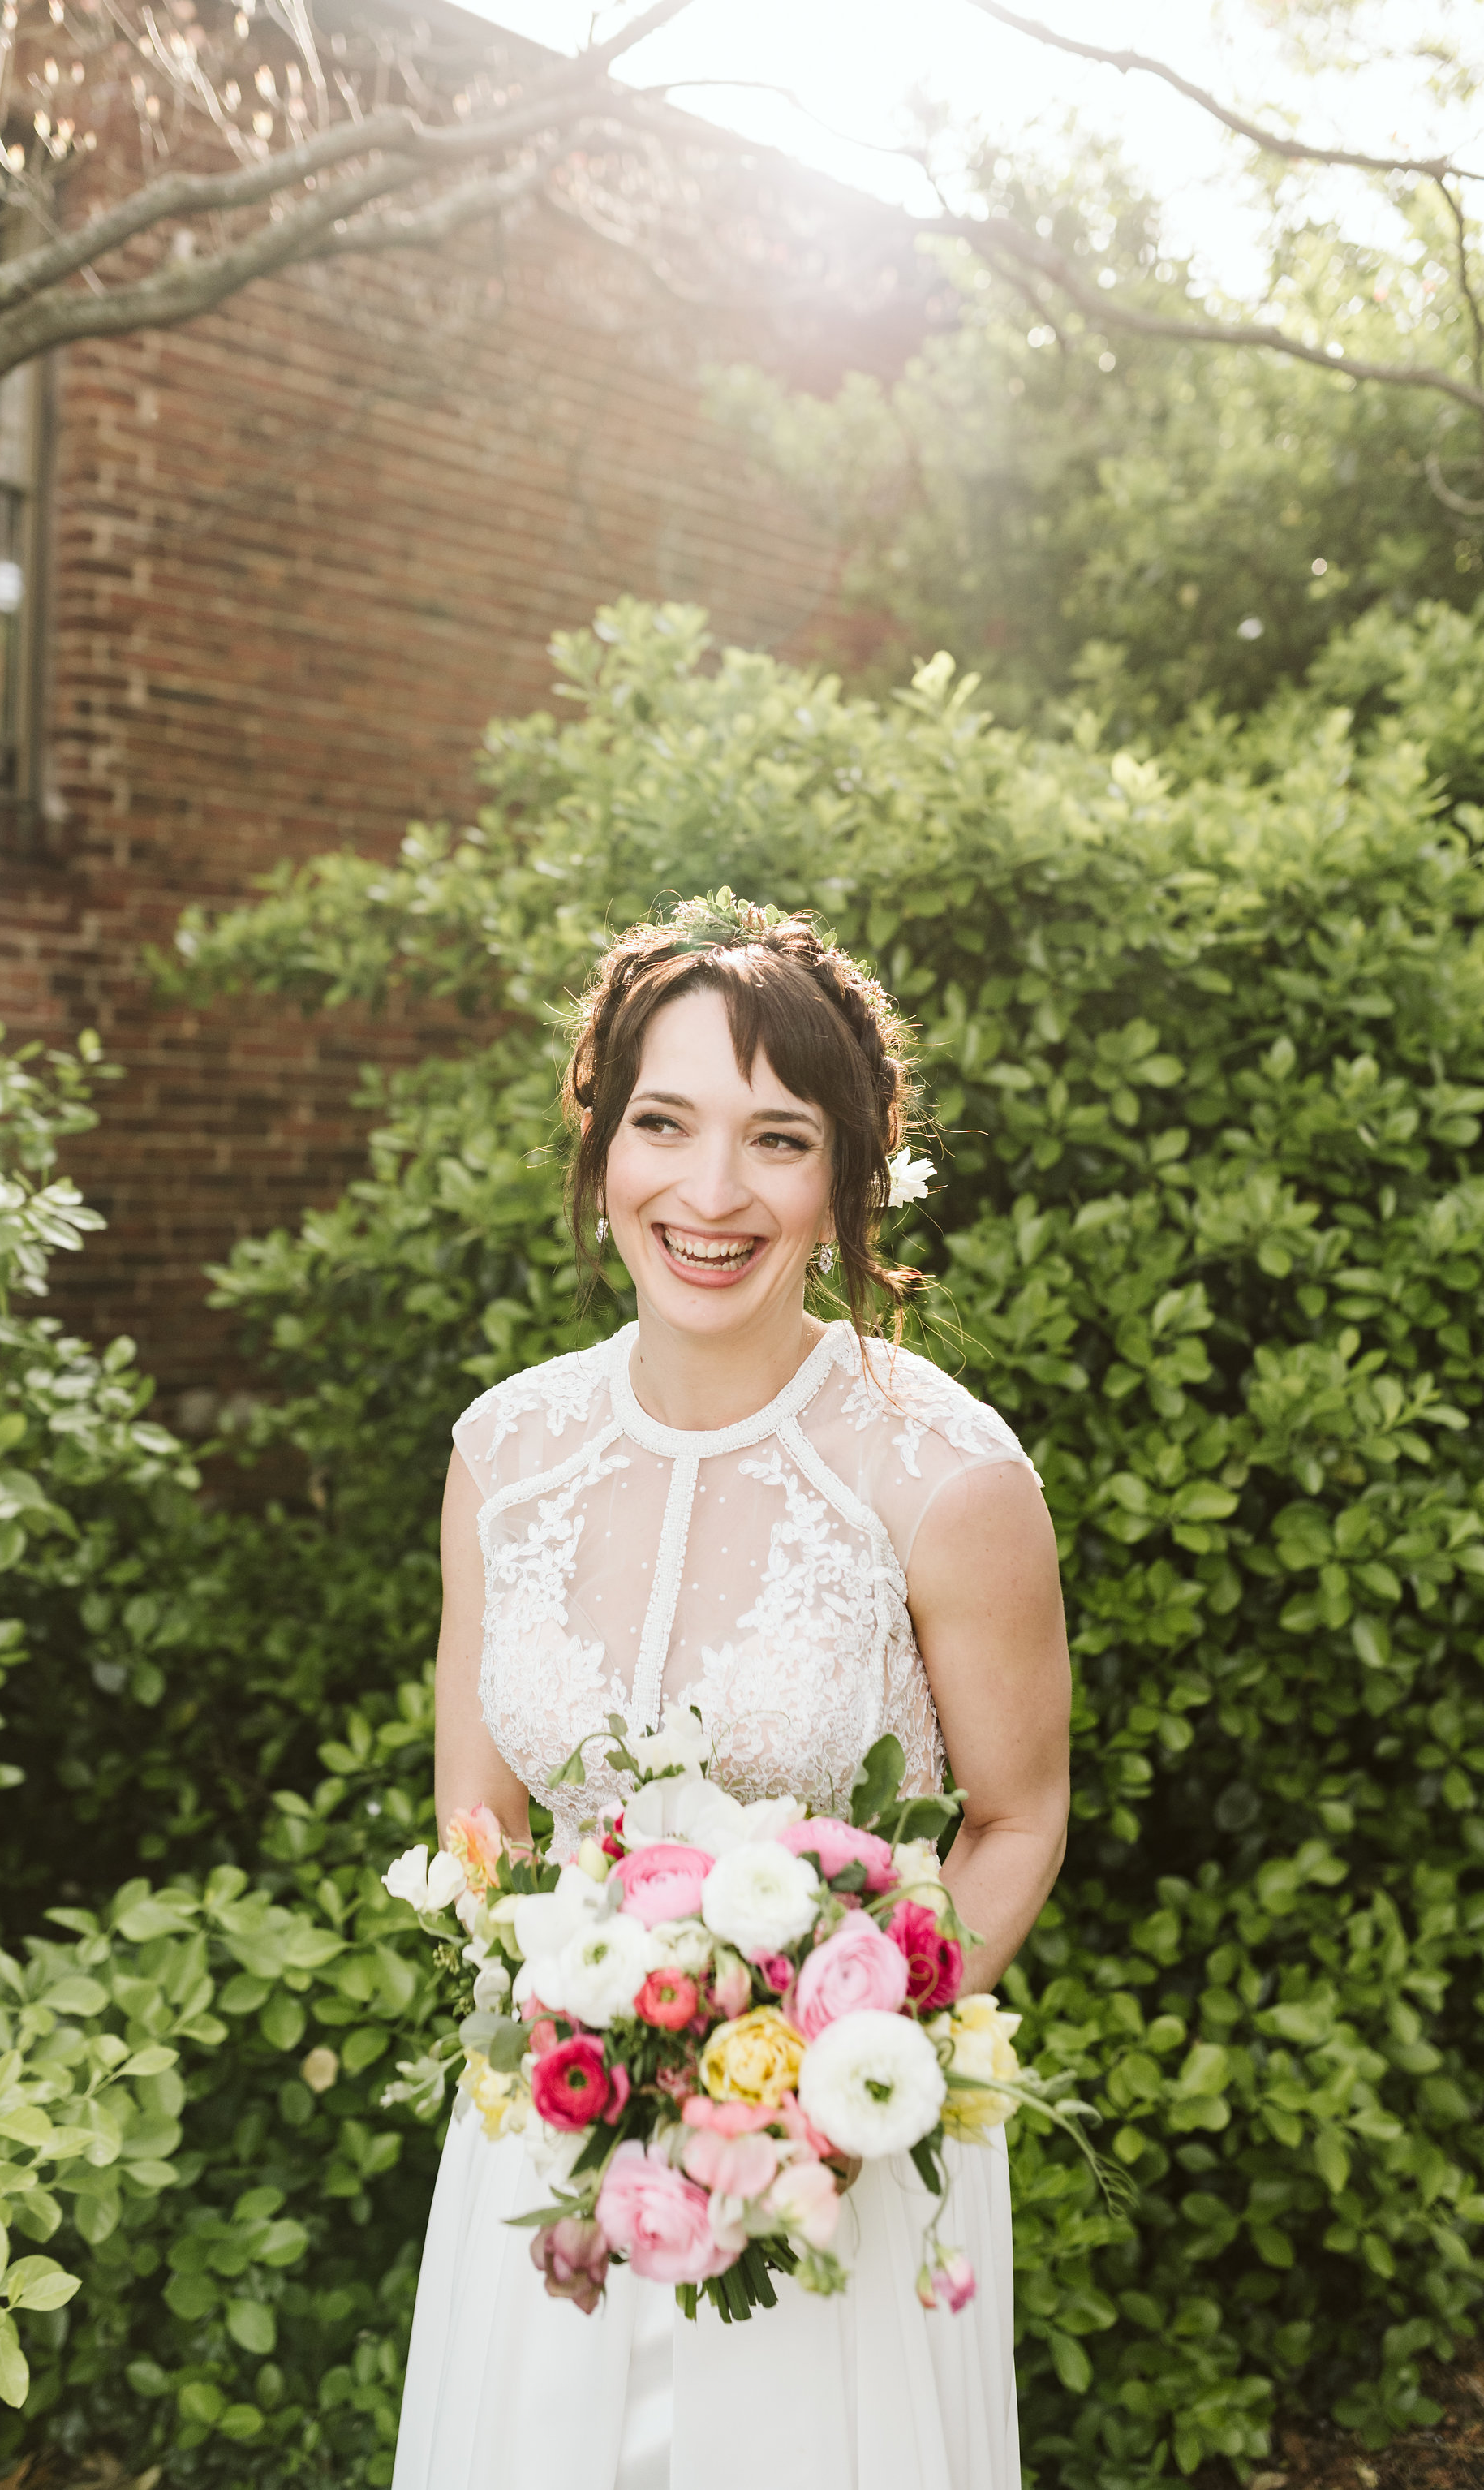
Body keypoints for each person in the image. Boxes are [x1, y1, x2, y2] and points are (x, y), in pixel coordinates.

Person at [394, 895, 1071, 2490]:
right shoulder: (505, 1453)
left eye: (775, 1139)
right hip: (555, 2148)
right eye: (663, 1124)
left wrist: (818, 2083)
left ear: (848, 1167)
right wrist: (574, 2027)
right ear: (601, 1142)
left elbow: (1016, 1815)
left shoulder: (945, 1473)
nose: (709, 1193)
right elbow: (478, 1820)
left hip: (834, 2172)